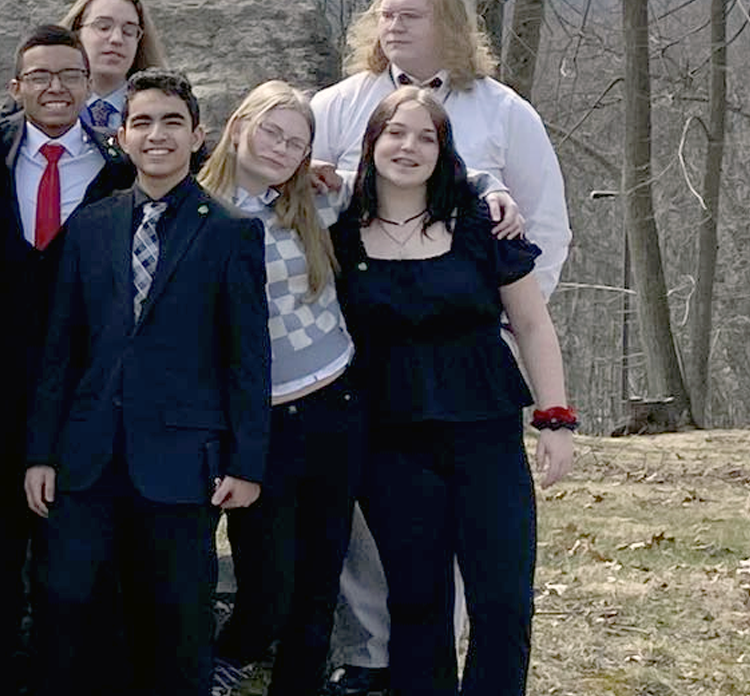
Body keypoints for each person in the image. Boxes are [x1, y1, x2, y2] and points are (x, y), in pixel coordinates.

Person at [194, 81, 519, 696]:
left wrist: (490, 186)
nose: (283, 148)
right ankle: (233, 649)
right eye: (272, 131)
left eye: (297, 141)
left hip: (337, 405)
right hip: (256, 420)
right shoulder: (197, 210)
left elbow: (409, 168)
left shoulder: (316, 202)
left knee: (320, 581)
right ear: (238, 125)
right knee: (269, 580)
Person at [310, 0, 572, 695]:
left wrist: (480, 310)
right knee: (406, 585)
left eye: (412, 16)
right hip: (383, 392)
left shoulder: (502, 111)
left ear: (450, 24)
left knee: (498, 592)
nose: (393, 27)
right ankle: (373, 660)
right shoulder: (335, 103)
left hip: (476, 377)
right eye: (387, 14)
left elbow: (544, 231)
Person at [24, 68, 268, 696]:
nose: (156, 135)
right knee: (69, 605)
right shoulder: (91, 225)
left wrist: (246, 462)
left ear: (197, 136)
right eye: (142, 122)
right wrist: (41, 452)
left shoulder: (230, 231)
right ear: (122, 138)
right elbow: (61, 348)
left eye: (171, 122)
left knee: (178, 618)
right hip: (87, 455)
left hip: (182, 461)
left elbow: (246, 357)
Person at [0, 24, 134, 692]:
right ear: (15, 87)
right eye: (41, 76)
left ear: (89, 86)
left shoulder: (120, 170)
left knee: (79, 555)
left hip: (88, 393)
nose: (56, 87)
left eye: (69, 75)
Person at [59, 0, 167, 132]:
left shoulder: (165, 113)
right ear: (77, 33)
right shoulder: (43, 110)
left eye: (129, 31)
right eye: (103, 27)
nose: (116, 39)